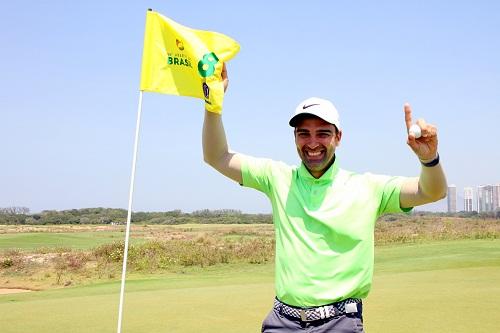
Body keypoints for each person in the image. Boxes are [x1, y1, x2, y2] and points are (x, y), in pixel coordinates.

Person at [202, 64, 447, 332]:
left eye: (323, 133)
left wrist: (428, 158)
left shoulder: (367, 187)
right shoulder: (277, 178)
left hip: (340, 322)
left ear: (338, 137)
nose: (312, 142)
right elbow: (217, 156)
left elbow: (431, 192)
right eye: (303, 133)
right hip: (282, 322)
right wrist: (213, 105)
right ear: (294, 137)